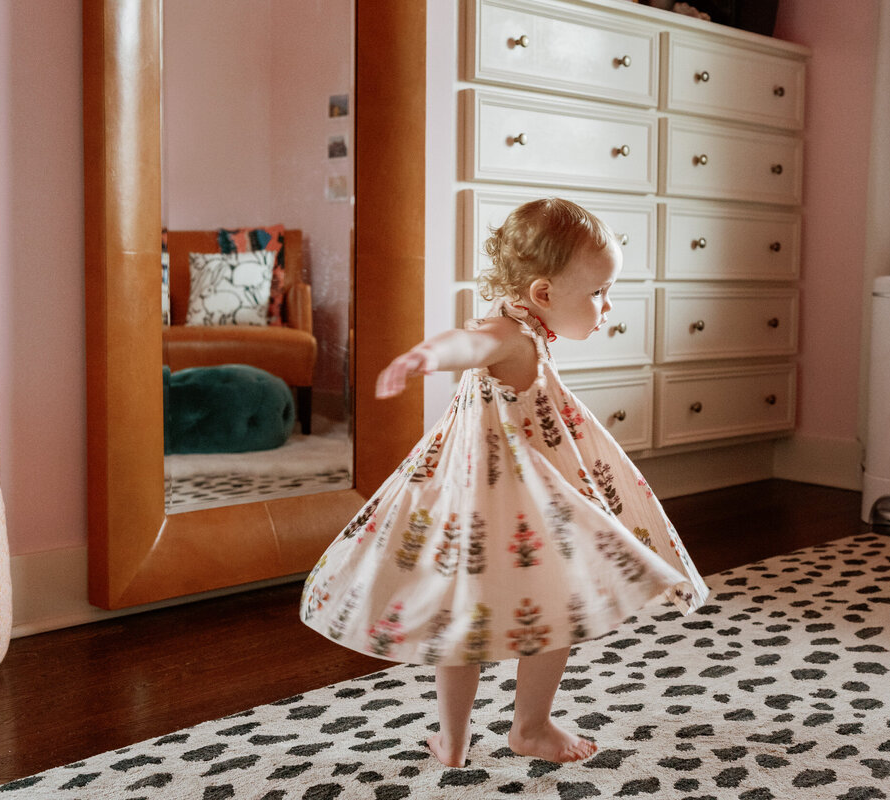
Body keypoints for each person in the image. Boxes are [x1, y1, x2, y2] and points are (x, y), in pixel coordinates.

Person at [300, 198, 709, 768]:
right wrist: (424, 355)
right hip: (507, 503)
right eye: (597, 292)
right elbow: (470, 344)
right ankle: (529, 726)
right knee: (550, 607)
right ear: (543, 294)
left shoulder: (522, 324)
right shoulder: (509, 334)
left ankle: (455, 738)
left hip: (486, 497)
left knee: (461, 618)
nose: (607, 305)